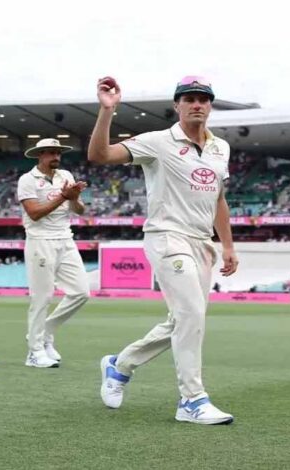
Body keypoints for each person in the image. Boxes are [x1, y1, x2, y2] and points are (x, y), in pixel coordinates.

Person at [88, 76, 239, 425]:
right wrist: (107, 111)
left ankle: (120, 365)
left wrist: (228, 245)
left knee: (183, 318)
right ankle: (192, 400)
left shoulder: (221, 148)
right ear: (177, 105)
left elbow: (218, 198)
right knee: (191, 314)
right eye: (189, 99)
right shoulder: (157, 141)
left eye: (203, 99)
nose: (197, 104)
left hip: (202, 242)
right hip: (167, 237)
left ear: (211, 105)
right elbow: (100, 155)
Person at [17, 138, 90, 368]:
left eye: (58, 153)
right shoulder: (27, 179)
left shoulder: (65, 176)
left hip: (65, 239)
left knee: (81, 292)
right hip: (40, 241)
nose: (56, 156)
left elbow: (79, 210)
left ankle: (45, 332)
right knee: (42, 297)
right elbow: (34, 213)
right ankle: (34, 352)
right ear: (40, 155)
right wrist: (63, 197)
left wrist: (74, 198)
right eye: (50, 153)